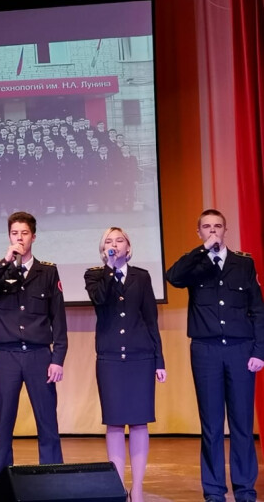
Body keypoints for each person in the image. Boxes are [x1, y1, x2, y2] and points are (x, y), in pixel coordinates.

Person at [166, 209, 264, 502]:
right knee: (211, 426)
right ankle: (213, 492)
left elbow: (257, 309)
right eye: (207, 227)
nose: (213, 231)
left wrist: (259, 350)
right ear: (199, 233)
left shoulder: (243, 263)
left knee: (242, 425)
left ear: (225, 230)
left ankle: (245, 490)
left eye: (217, 226)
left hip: (240, 350)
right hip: (206, 351)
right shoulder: (195, 264)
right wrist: (202, 251)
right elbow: (173, 277)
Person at [0, 212, 67, 482]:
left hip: (39, 355)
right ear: (9, 237)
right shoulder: (0, 268)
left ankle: (53, 480)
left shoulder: (47, 271)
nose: (19, 238)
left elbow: (58, 319)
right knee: (4, 422)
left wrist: (57, 359)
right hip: (8, 355)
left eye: (24, 233)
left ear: (33, 237)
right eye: (15, 233)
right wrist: (5, 261)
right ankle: (2, 481)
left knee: (47, 421)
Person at [84, 228, 166, 502]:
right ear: (102, 249)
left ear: (128, 247)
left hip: (140, 357)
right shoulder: (95, 275)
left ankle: (137, 488)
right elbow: (99, 299)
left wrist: (159, 359)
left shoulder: (141, 276)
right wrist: (110, 268)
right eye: (109, 241)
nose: (114, 244)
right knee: (115, 423)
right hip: (110, 359)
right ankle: (118, 488)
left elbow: (151, 319)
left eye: (119, 240)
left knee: (140, 423)